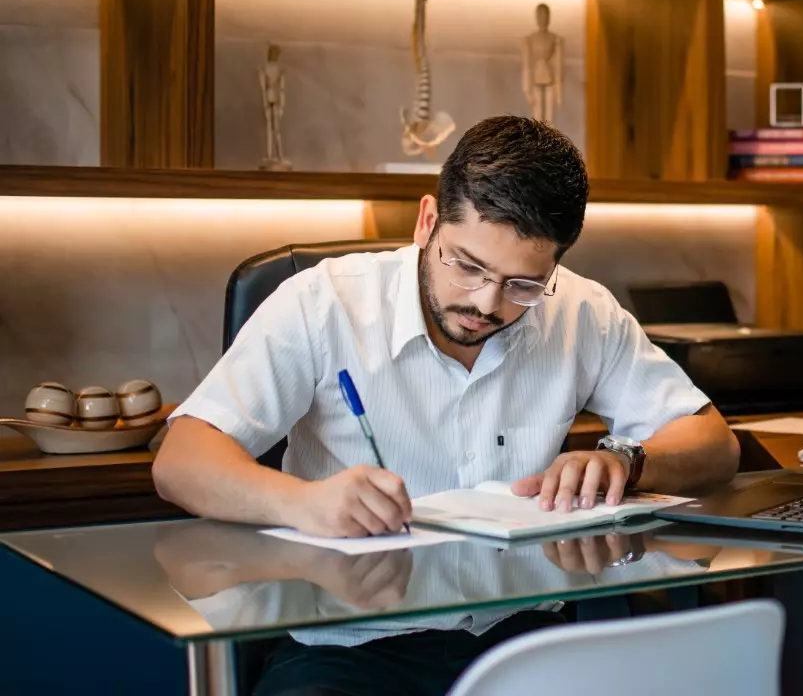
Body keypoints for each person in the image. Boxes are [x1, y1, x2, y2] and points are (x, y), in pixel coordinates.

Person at [152, 114, 740, 695]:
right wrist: (304, 503)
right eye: (467, 265)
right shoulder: (322, 302)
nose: (486, 303)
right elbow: (181, 462)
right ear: (427, 220)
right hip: (349, 649)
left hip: (528, 641)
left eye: (523, 284)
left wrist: (628, 461)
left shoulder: (583, 312)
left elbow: (714, 445)